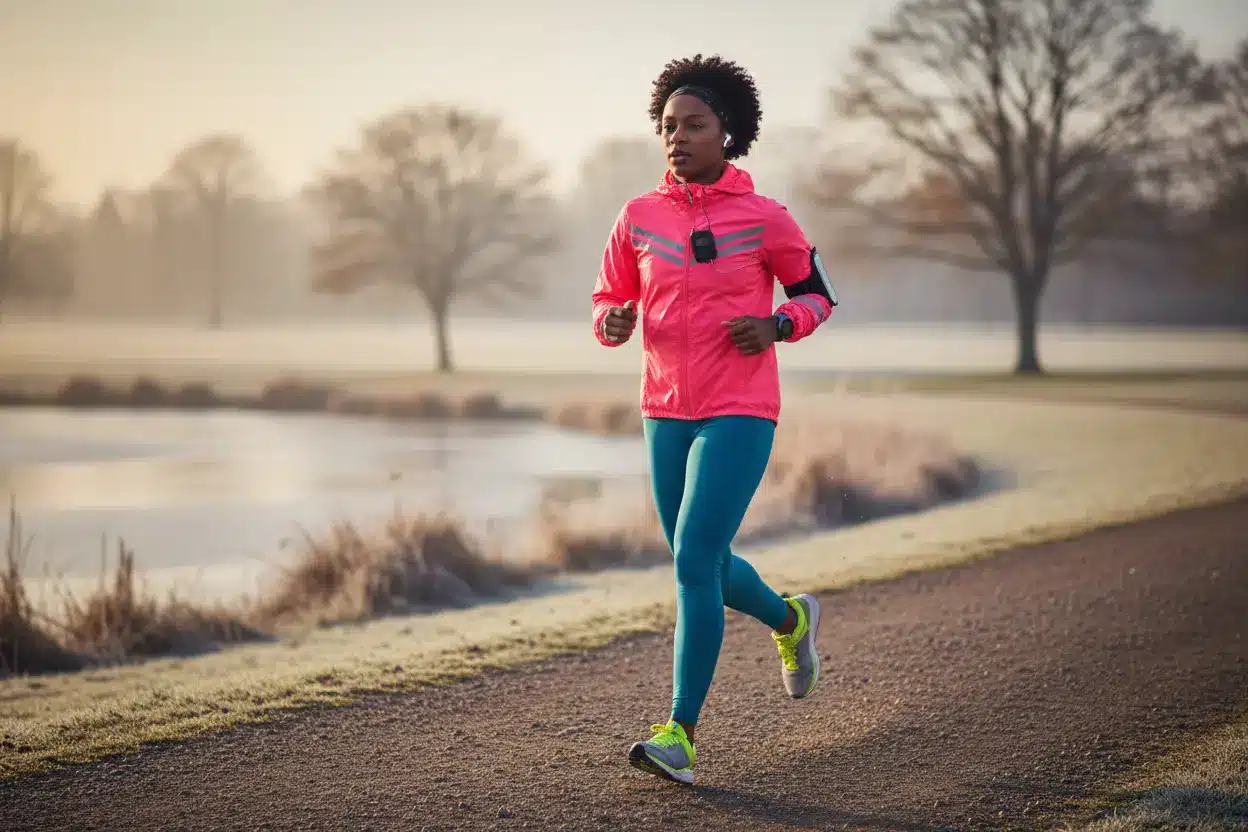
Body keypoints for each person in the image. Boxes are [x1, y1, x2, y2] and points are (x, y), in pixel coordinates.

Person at [591, 54, 836, 785]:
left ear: (728, 132)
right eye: (668, 126)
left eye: (694, 124)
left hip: (740, 410)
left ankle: (680, 733)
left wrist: (779, 326)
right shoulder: (637, 218)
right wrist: (612, 323)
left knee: (694, 558)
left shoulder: (765, 218)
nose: (678, 137)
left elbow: (819, 295)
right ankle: (791, 621)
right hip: (663, 410)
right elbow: (606, 300)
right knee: (702, 563)